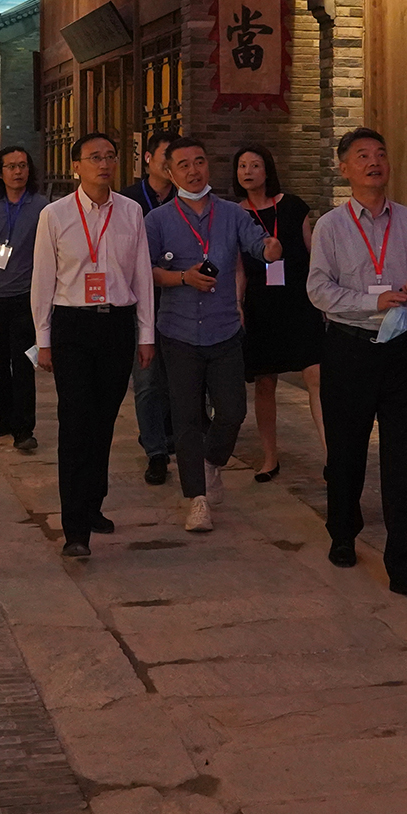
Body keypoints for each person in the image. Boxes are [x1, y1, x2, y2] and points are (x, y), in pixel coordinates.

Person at [306, 127, 407, 603]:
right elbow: (318, 290)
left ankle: (405, 564)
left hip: (402, 350)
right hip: (350, 349)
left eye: (380, 154)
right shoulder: (331, 226)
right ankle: (343, 531)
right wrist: (374, 300)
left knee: (401, 457)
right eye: (362, 155)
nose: (374, 162)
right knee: (346, 450)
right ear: (344, 168)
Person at [146, 138, 280, 533]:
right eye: (184, 165)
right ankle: (197, 500)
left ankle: (211, 462)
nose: (194, 171)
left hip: (224, 329)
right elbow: (145, 270)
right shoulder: (158, 220)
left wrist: (269, 248)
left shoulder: (231, 213)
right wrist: (182, 278)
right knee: (186, 417)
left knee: (233, 411)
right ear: (170, 173)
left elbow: (256, 244)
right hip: (178, 331)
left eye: (200, 162)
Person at [31, 131, 155, 559]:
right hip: (73, 326)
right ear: (76, 167)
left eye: (110, 156)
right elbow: (43, 279)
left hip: (116, 325)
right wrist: (43, 339)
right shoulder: (55, 214)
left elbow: (141, 276)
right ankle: (74, 528)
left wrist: (146, 334)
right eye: (94, 157)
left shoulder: (131, 212)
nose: (103, 164)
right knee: (75, 422)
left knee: (103, 421)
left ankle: (92, 502)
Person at [234, 144, 324, 482]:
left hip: (299, 301)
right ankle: (269, 458)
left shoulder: (293, 206)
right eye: (242, 166)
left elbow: (313, 254)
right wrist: (237, 303)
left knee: (316, 374)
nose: (248, 171)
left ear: (267, 170)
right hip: (262, 305)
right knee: (264, 383)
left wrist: (323, 297)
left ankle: (332, 456)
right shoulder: (235, 214)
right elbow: (239, 267)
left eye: (255, 165)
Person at [0, 144, 47, 452]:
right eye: (11, 166)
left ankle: (24, 428)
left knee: (24, 362)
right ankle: (4, 417)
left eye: (23, 165)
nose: (18, 171)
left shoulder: (41, 206)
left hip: (26, 296)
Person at [125, 130, 178, 486]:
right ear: (148, 158)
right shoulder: (128, 201)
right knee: (146, 380)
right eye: (166, 156)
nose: (172, 164)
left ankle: (173, 437)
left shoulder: (186, 200)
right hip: (140, 303)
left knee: (178, 379)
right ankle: (155, 451)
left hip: (180, 300)